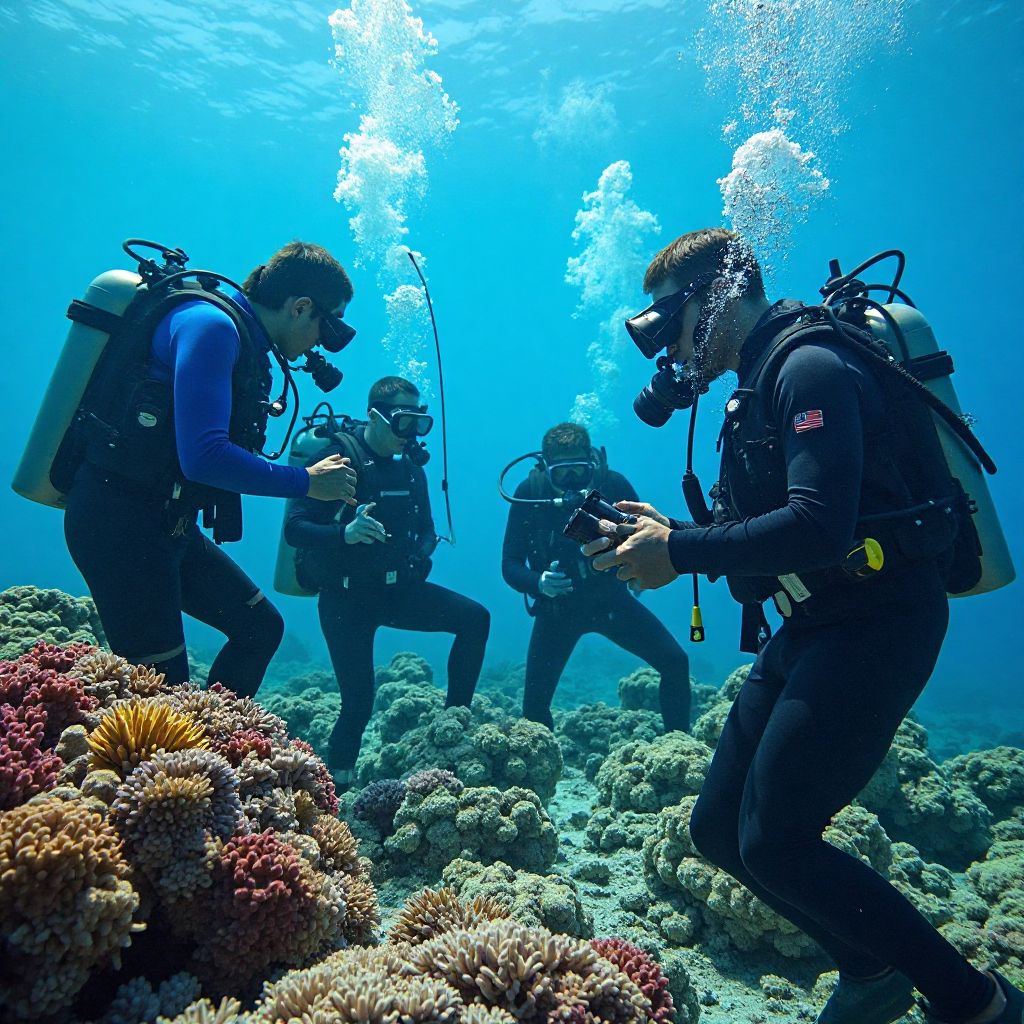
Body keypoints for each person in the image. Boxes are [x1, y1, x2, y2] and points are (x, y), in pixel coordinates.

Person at [583, 228, 1023, 1024]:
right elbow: (768, 532)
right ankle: (870, 972)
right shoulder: (755, 387)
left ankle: (979, 1003)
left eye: (669, 322)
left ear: (719, 297)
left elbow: (819, 527)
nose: (665, 348)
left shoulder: (809, 367)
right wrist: (671, 532)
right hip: (814, 621)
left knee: (776, 840)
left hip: (879, 621)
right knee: (719, 830)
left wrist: (677, 553)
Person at [63, 241, 359, 697]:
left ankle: (215, 736)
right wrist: (306, 482)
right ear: (300, 307)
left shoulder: (241, 338)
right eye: (330, 323)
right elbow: (204, 457)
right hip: (120, 525)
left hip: (167, 524)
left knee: (260, 629)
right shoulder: (214, 327)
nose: (323, 342)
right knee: (160, 698)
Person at [284, 375, 490, 789]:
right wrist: (345, 534)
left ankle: (454, 729)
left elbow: (428, 529)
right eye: (403, 421)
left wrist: (421, 555)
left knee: (475, 619)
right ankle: (336, 789)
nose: (410, 433)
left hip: (398, 591)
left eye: (418, 422)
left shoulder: (411, 468)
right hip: (345, 600)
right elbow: (295, 528)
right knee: (359, 701)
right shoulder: (337, 458)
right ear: (374, 416)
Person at [502, 422, 691, 732]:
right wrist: (538, 583)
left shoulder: (612, 485)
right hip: (556, 611)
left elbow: (648, 540)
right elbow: (510, 564)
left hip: (611, 601)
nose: (571, 481)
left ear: (592, 465)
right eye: (561, 473)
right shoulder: (530, 494)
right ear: (546, 469)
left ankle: (679, 745)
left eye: (578, 470)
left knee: (675, 662)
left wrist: (640, 570)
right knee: (534, 707)